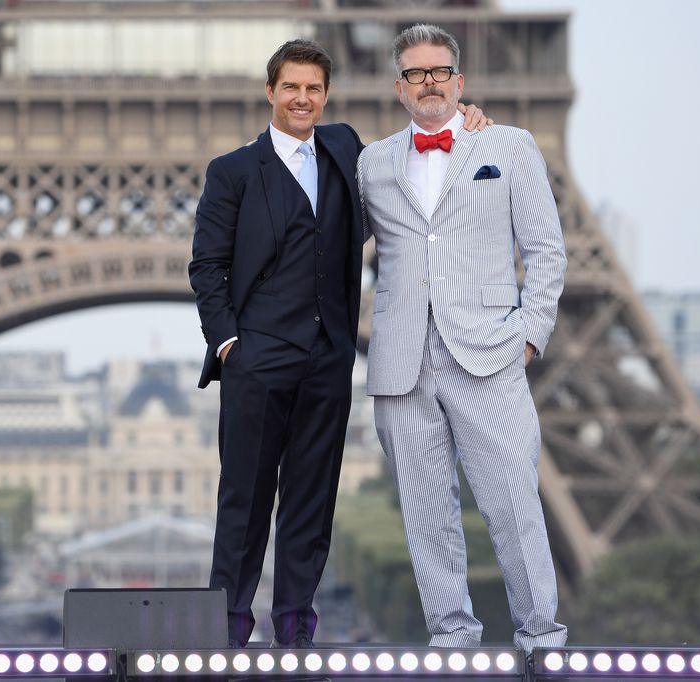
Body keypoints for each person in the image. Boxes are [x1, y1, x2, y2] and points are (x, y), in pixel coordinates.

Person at [189, 38, 489, 648]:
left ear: (326, 96)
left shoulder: (347, 149)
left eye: (314, 89)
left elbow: (414, 152)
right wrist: (227, 345)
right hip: (257, 358)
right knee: (244, 501)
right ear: (270, 91)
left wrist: (466, 121)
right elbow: (207, 266)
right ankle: (227, 627)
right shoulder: (234, 172)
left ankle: (295, 625)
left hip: (328, 359)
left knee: (312, 499)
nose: (303, 99)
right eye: (291, 87)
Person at [357, 24, 569, 653]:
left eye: (439, 72)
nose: (429, 83)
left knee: (512, 505)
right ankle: (452, 643)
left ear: (459, 80)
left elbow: (547, 250)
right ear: (399, 86)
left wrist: (529, 336)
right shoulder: (371, 161)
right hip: (402, 360)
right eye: (416, 73)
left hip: (488, 352)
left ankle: (542, 640)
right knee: (427, 520)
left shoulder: (509, 145)